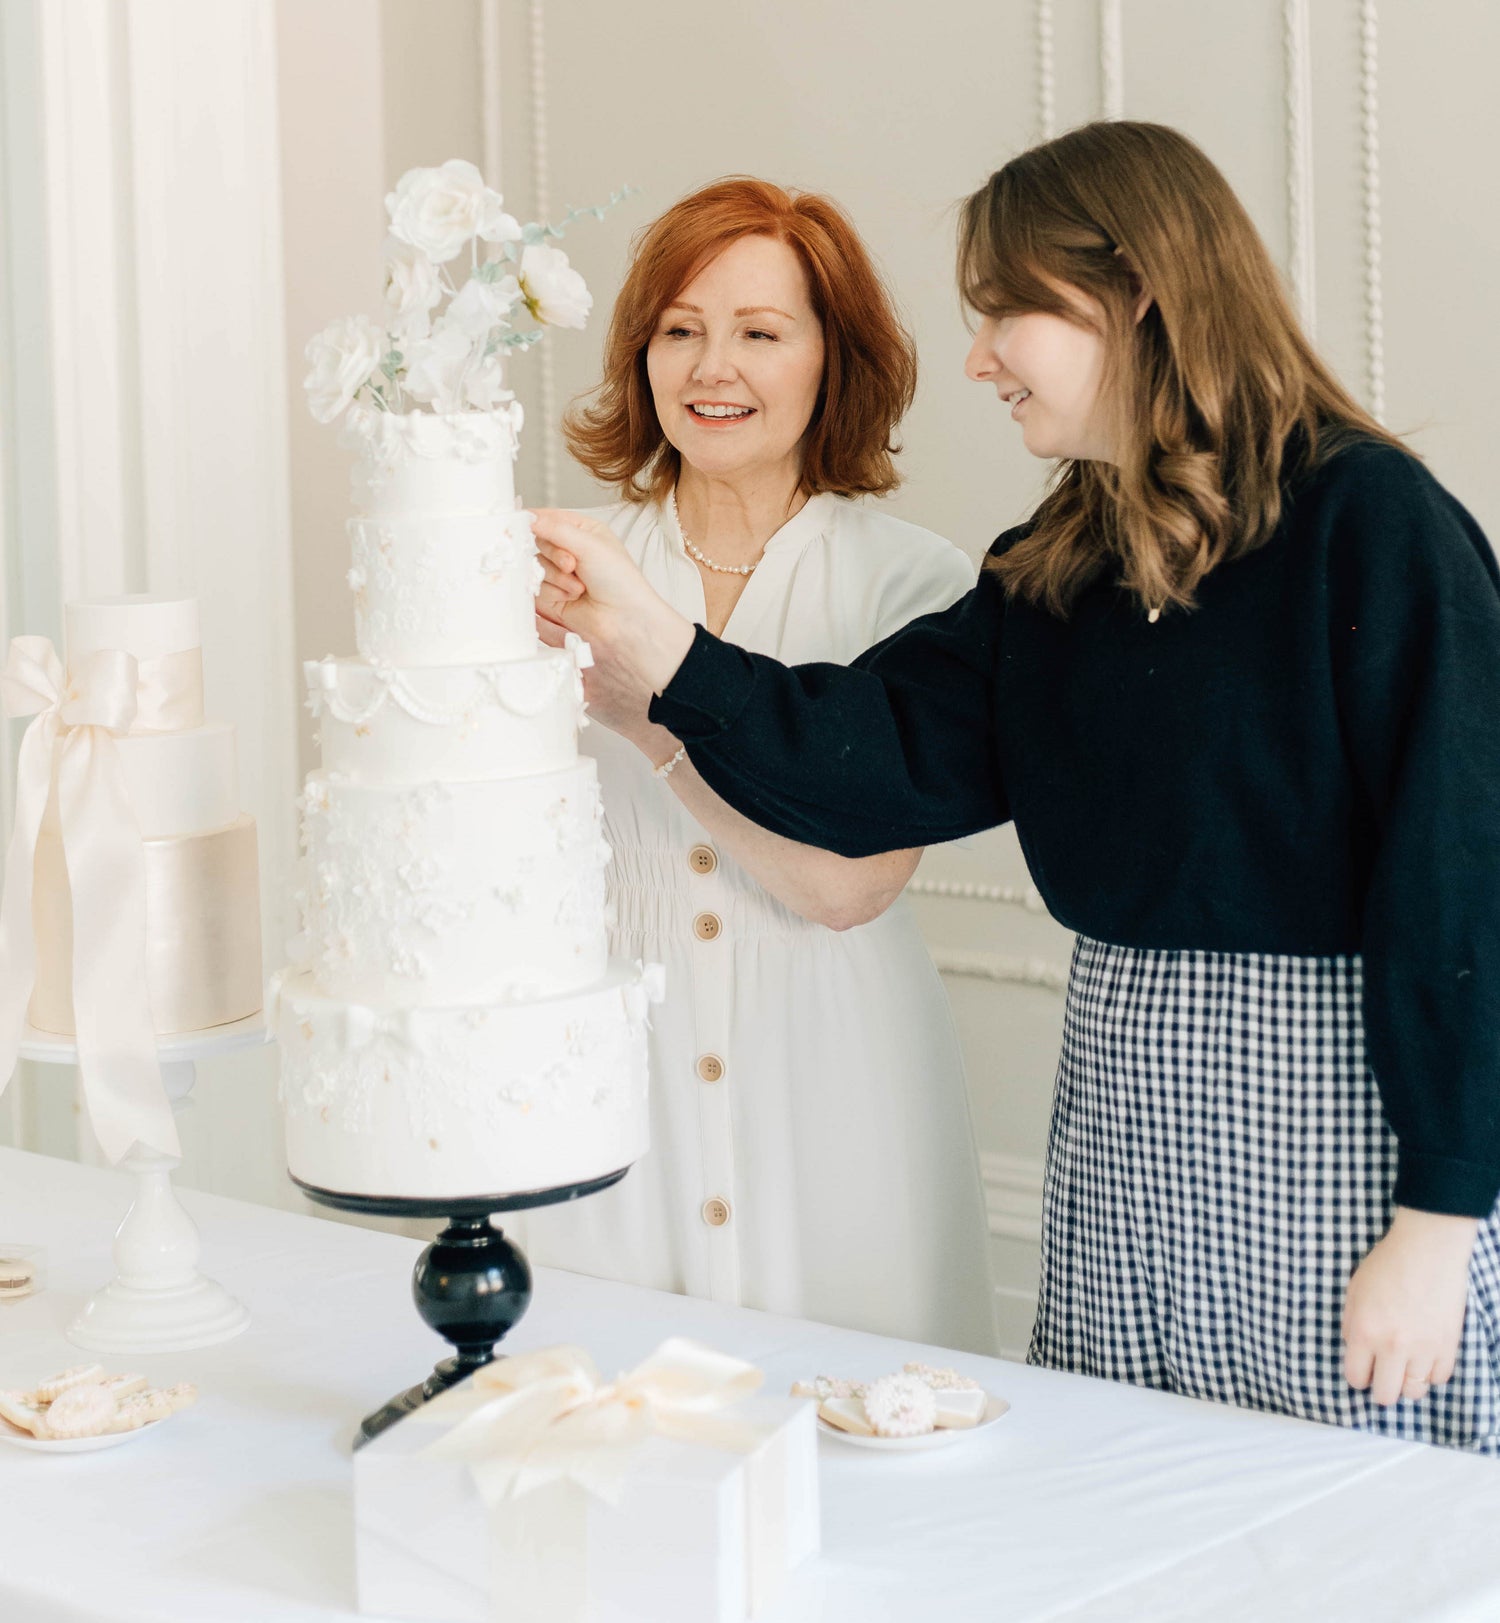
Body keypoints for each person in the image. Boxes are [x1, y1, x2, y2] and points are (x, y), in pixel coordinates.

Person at [532, 122, 1500, 1452]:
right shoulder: (1063, 554)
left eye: (1007, 313)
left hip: (1337, 1118)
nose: (979, 357)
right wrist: (665, 654)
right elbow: (868, 751)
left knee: (1352, 1512)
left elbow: (1464, 875)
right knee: (1118, 1491)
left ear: (1135, 293)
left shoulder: (1368, 518)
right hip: (1118, 1105)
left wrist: (1441, 1213)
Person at [519, 177, 998, 1355]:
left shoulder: (912, 583)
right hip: (612, 1074)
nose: (711, 368)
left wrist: (651, 722)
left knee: (860, 1407)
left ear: (835, 359)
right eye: (679, 330)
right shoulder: (563, 566)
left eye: (760, 333)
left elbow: (845, 888)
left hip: (834, 1067)